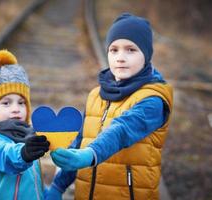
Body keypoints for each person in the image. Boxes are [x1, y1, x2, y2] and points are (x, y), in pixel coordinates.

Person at [45, 13, 173, 200]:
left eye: (131, 50)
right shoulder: (96, 95)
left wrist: (90, 154)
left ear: (146, 55)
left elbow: (122, 130)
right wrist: (58, 185)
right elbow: (80, 143)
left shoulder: (153, 100)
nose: (120, 58)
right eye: (114, 50)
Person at [0, 49, 50, 199]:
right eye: (6, 103)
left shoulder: (28, 135)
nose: (16, 109)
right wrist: (23, 153)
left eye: (21, 103)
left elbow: (33, 182)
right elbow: (2, 153)